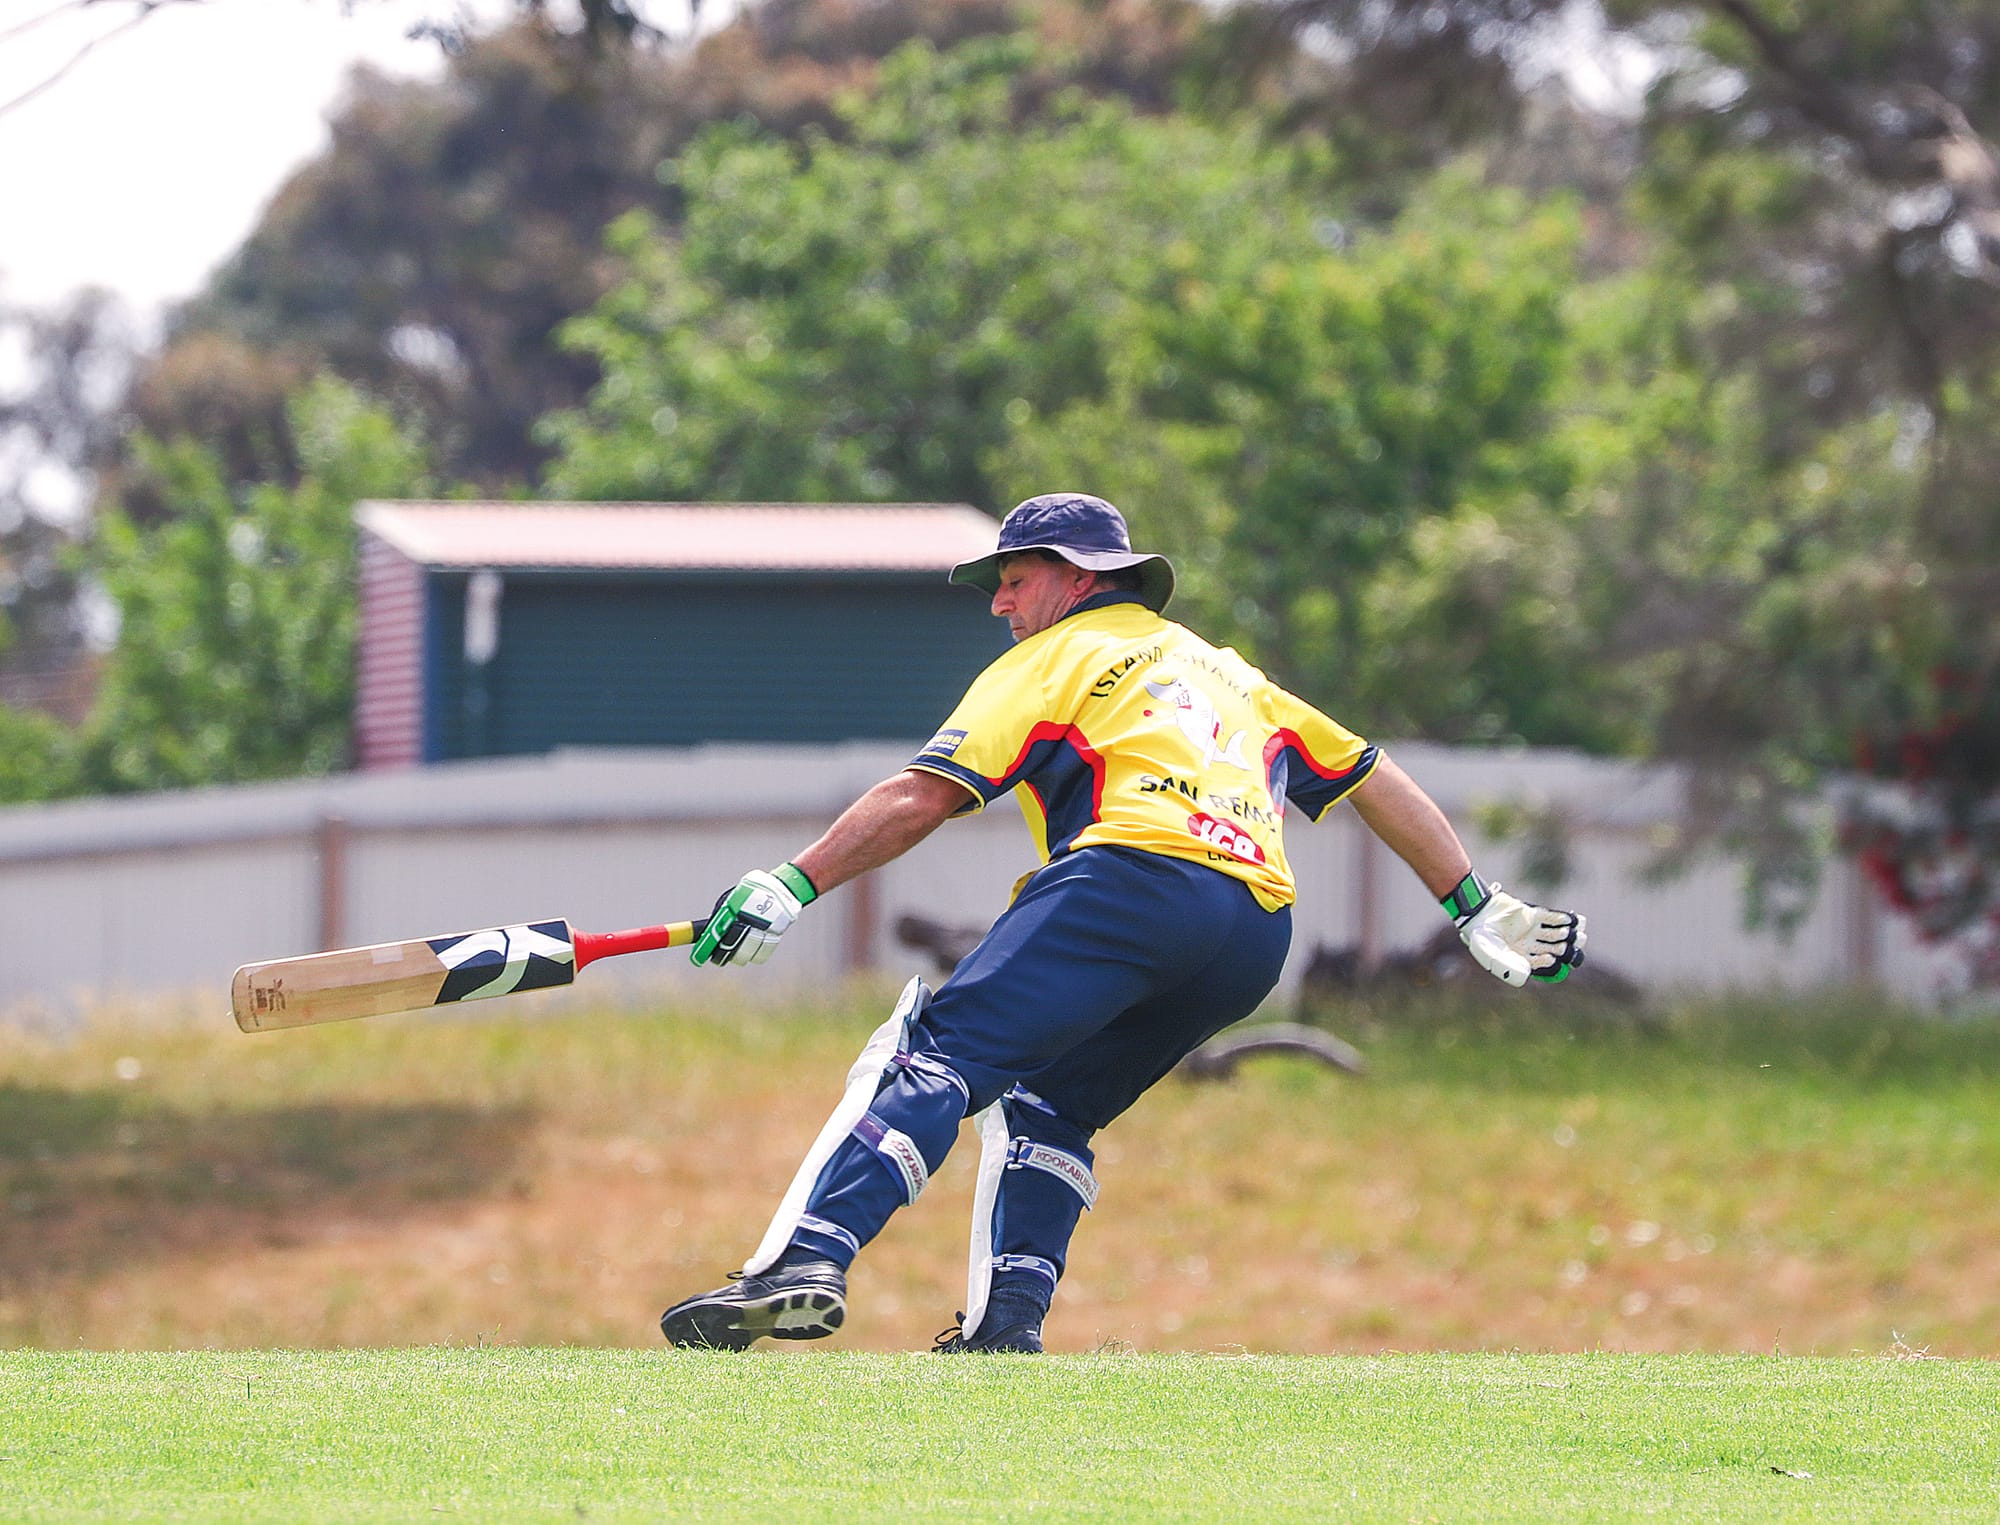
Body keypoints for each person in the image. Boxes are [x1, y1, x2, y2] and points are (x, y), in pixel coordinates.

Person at [659, 493, 1585, 1354]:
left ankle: (807, 1258)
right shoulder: (1232, 673)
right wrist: (1472, 903)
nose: (999, 604)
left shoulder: (1053, 657)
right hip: (1254, 928)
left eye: (1014, 579)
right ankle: (1005, 1330)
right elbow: (1372, 775)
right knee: (1050, 1103)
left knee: (930, 1055)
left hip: (1129, 879)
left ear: (1080, 577)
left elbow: (925, 794)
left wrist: (793, 881)